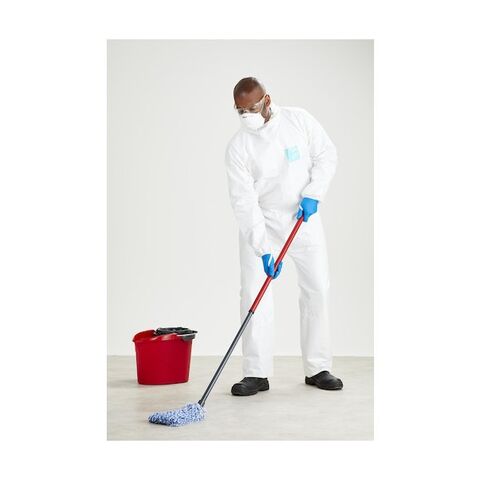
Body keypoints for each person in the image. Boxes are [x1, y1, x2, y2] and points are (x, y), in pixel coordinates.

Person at [224, 77, 343, 396]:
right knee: (254, 294)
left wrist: (314, 193)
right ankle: (256, 373)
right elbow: (243, 202)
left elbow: (326, 154)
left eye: (251, 108)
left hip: (303, 219)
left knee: (316, 288)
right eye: (240, 110)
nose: (246, 115)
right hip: (263, 224)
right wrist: (262, 247)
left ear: (267, 100)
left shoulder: (298, 120)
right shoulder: (238, 147)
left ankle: (318, 367)